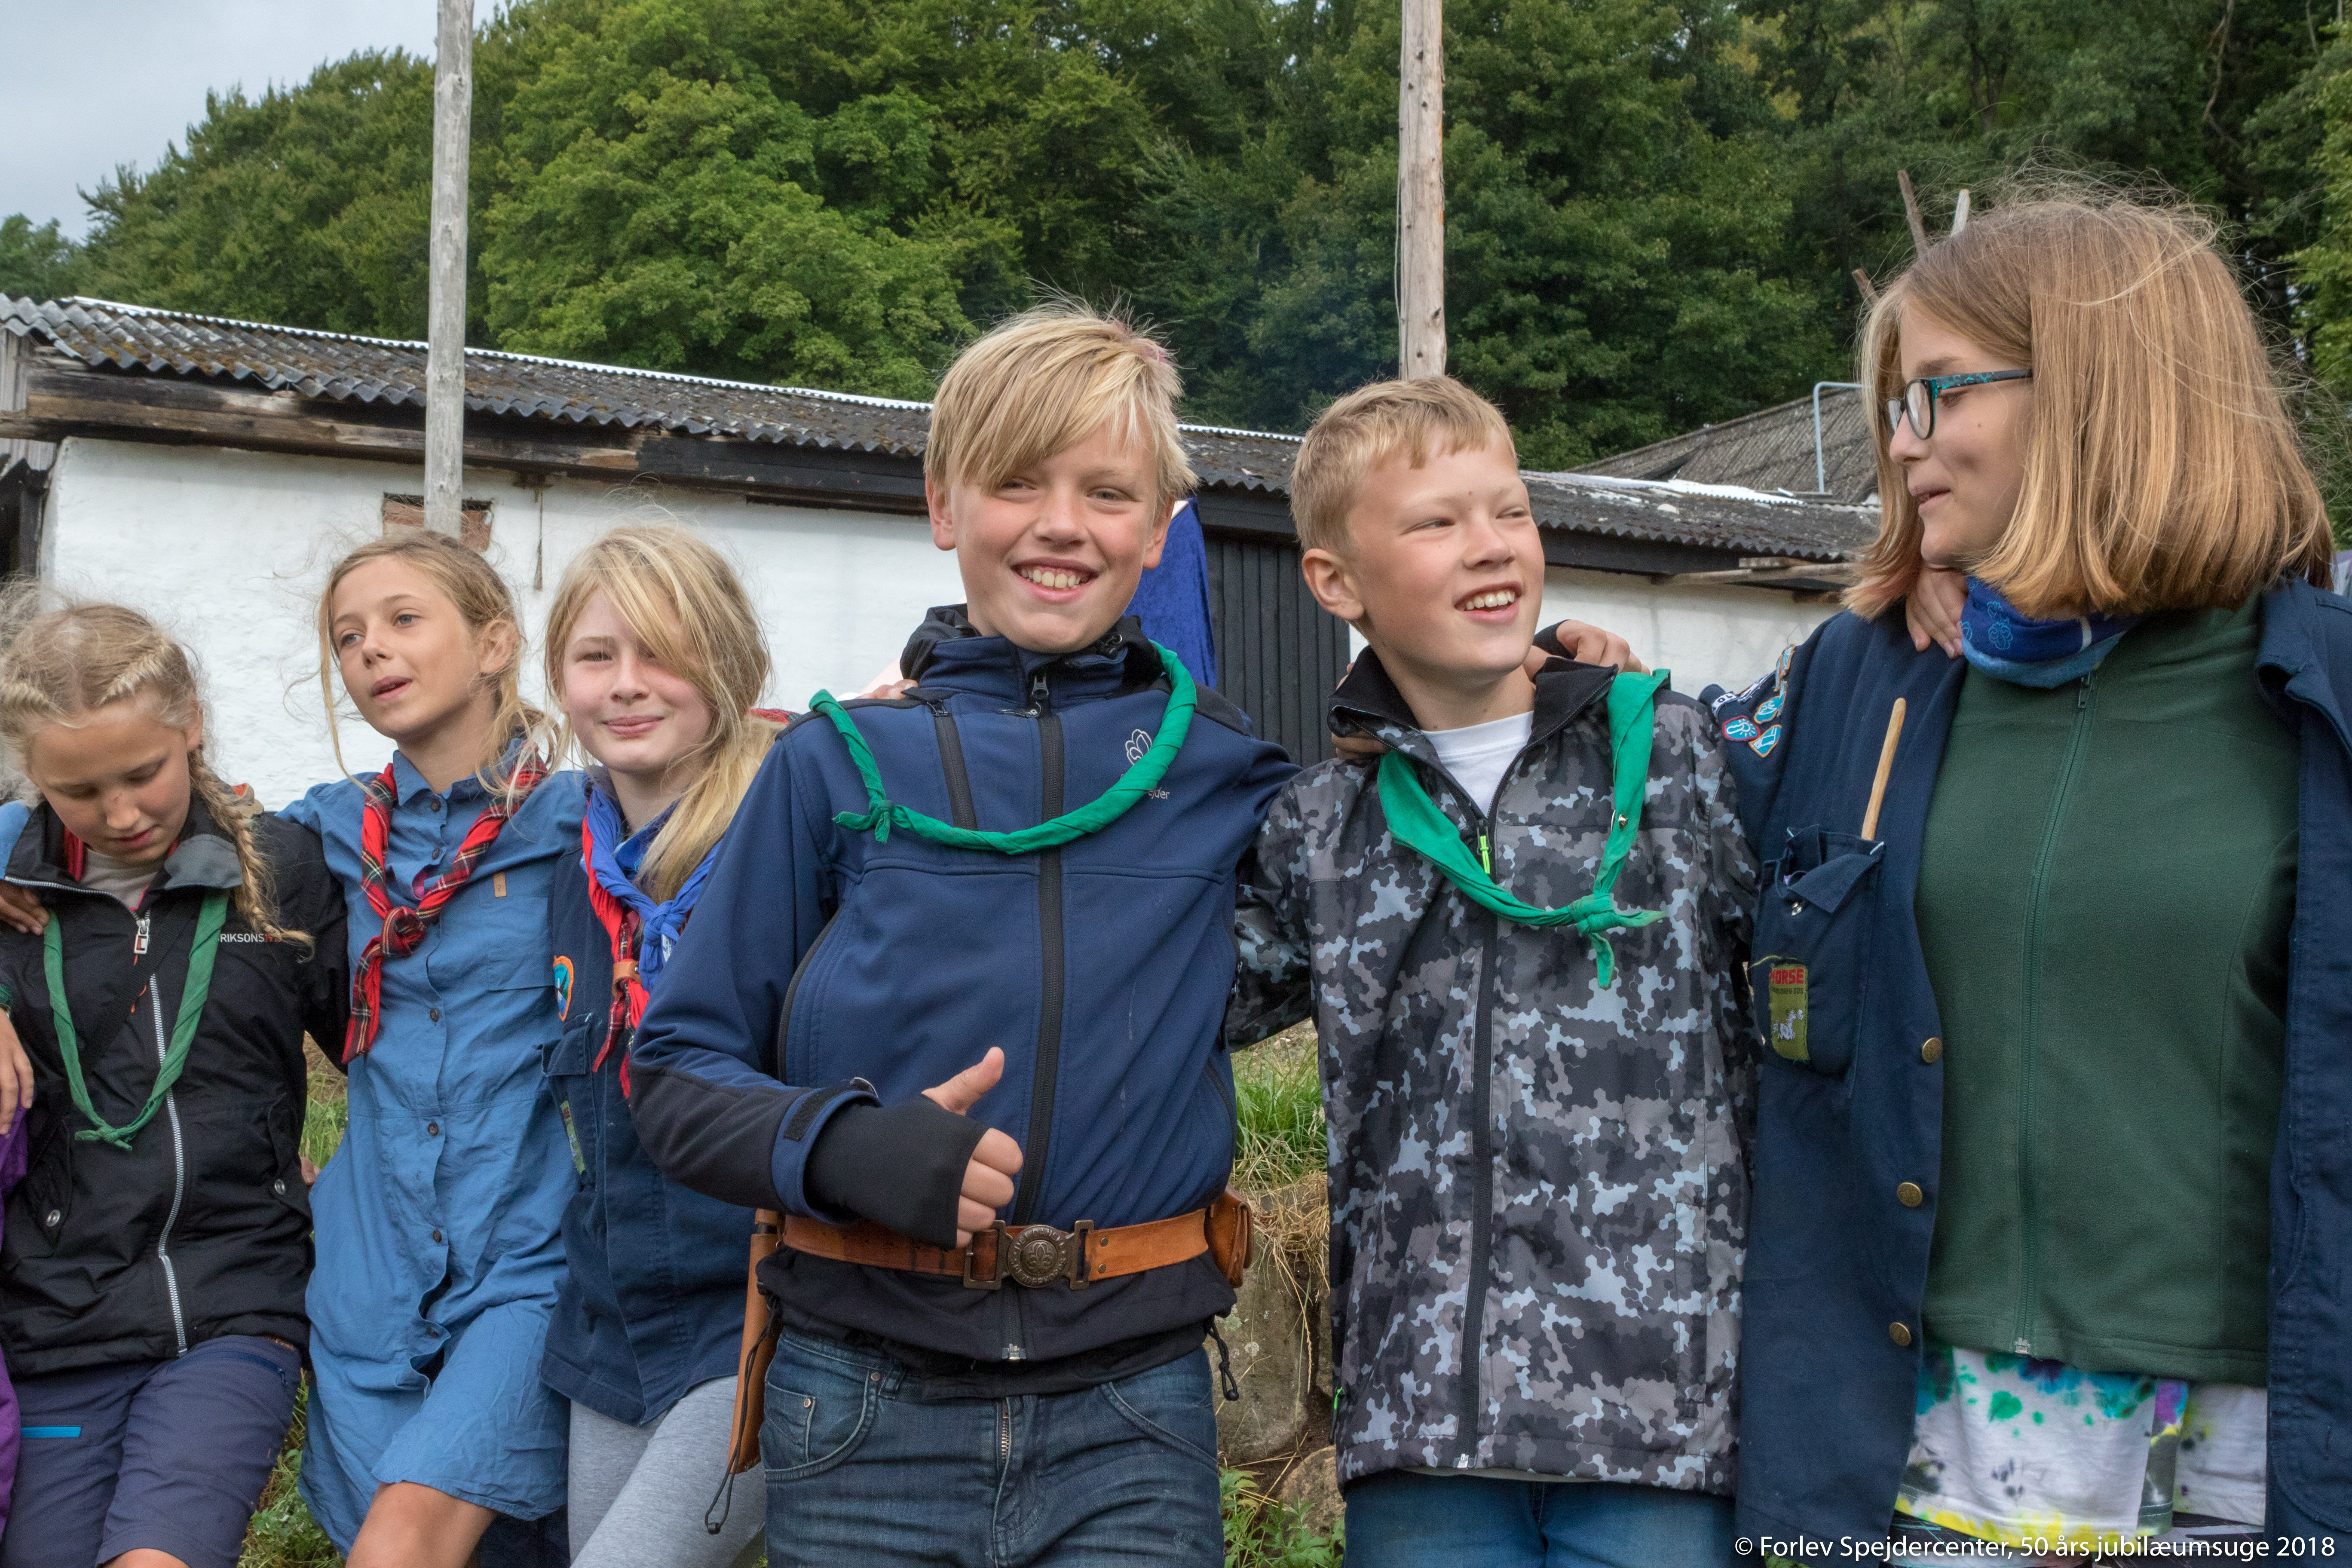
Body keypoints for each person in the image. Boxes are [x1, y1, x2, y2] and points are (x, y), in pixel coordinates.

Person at [1558, 188, 2352, 1558]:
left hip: (2242, 1472)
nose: (1899, 441)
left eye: (1937, 394)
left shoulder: (2323, 698)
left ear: (2100, 394)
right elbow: (1647, 829)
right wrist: (1533, 679)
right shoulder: (1866, 676)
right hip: (1913, 1463)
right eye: (1894, 406)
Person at [627, 303, 1295, 1567]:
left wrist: (1549, 685)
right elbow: (673, 1076)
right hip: (862, 1407)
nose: (1062, 524)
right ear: (944, 507)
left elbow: (1420, 841)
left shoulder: (1226, 774)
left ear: (1158, 531)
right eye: (1016, 483)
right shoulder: (834, 764)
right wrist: (840, 1148)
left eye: (1108, 492)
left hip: (1134, 1418)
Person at [1223, 377, 1756, 1567]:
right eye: (1436, 523)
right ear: (1336, 583)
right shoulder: (1321, 827)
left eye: (1509, 511)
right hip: (1425, 1440)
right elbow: (1166, 997)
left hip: (1665, 1432)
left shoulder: (1681, 762)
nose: (1491, 546)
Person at [0, 598, 348, 1568]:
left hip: (234, 1306)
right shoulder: (12, 897)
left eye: (143, 773)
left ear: (191, 723)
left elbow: (390, 1054)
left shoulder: (281, 870)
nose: (121, 815)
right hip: (55, 1322)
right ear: (32, 776)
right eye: (79, 791)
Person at [279, 531, 585, 1568]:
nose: (370, 650)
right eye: (347, 636)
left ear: (495, 644)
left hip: (530, 1260)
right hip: (369, 1281)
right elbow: (107, 848)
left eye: (404, 620)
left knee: (404, 1539)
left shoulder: (587, 822)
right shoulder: (321, 835)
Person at [538, 525, 783, 1568]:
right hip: (616, 1332)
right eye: (597, 656)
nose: (628, 685)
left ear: (728, 665)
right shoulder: (568, 861)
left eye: (664, 654)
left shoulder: (792, 840)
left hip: (761, 1324)